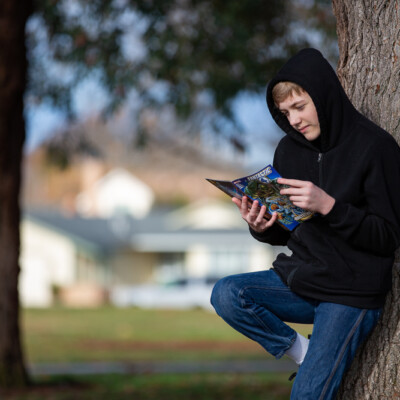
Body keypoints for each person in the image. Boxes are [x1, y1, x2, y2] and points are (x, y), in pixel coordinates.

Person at [210, 48, 400, 399]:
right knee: (226, 293)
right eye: (285, 112)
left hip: (350, 295)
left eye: (300, 107)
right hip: (300, 279)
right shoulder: (288, 151)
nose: (294, 119)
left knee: (307, 395)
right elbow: (292, 228)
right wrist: (262, 225)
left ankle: (315, 366)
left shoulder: (375, 147)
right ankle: (305, 353)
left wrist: (328, 205)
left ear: (324, 96)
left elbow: (387, 237)